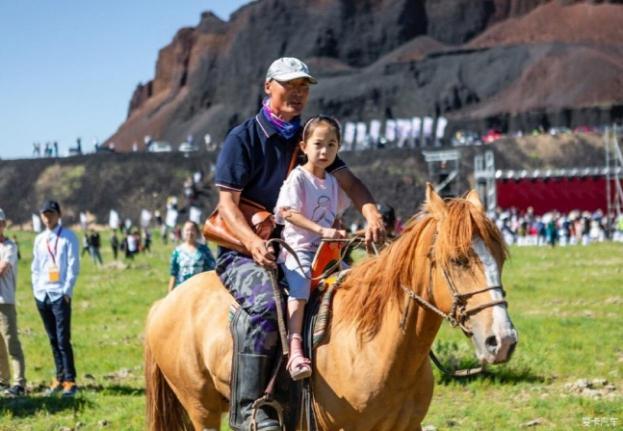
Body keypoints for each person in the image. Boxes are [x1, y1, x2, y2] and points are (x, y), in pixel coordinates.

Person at [214, 57, 384, 430]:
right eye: (289, 84)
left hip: (308, 246)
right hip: (244, 251)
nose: (298, 92)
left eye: (304, 86)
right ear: (268, 87)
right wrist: (253, 244)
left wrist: (371, 214)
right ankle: (251, 410)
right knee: (264, 305)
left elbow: (351, 184)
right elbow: (226, 204)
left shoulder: (311, 138)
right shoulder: (242, 138)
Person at [274, 116, 349, 380]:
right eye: (318, 144)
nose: (324, 151)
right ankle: (295, 349)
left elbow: (334, 216)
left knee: (355, 282)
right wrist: (321, 231)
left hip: (328, 252)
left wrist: (339, 230)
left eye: (331, 144)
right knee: (301, 284)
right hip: (299, 250)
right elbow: (288, 213)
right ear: (304, 146)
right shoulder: (298, 178)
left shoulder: (332, 182)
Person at [31, 200, 80, 397]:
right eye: (44, 214)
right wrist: (36, 289)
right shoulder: (39, 239)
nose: (47, 218)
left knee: (63, 338)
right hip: (42, 294)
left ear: (58, 215)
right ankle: (59, 377)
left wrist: (67, 291)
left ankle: (70, 379)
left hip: (60, 293)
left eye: (50, 213)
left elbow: (73, 265)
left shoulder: (68, 237)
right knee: (52, 338)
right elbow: (36, 266)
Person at [0, 209, 27, 397]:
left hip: (5, 300)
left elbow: (2, 268)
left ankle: (19, 383)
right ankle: (3, 380)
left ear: (4, 225)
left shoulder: (10, 246)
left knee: (11, 342)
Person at [168, 221, 215, 292]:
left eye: (192, 230)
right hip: (181, 291)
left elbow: (212, 271)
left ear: (197, 232)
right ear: (183, 232)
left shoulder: (204, 250)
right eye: (187, 230)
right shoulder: (177, 251)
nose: (189, 232)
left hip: (200, 291)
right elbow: (173, 274)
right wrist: (170, 295)